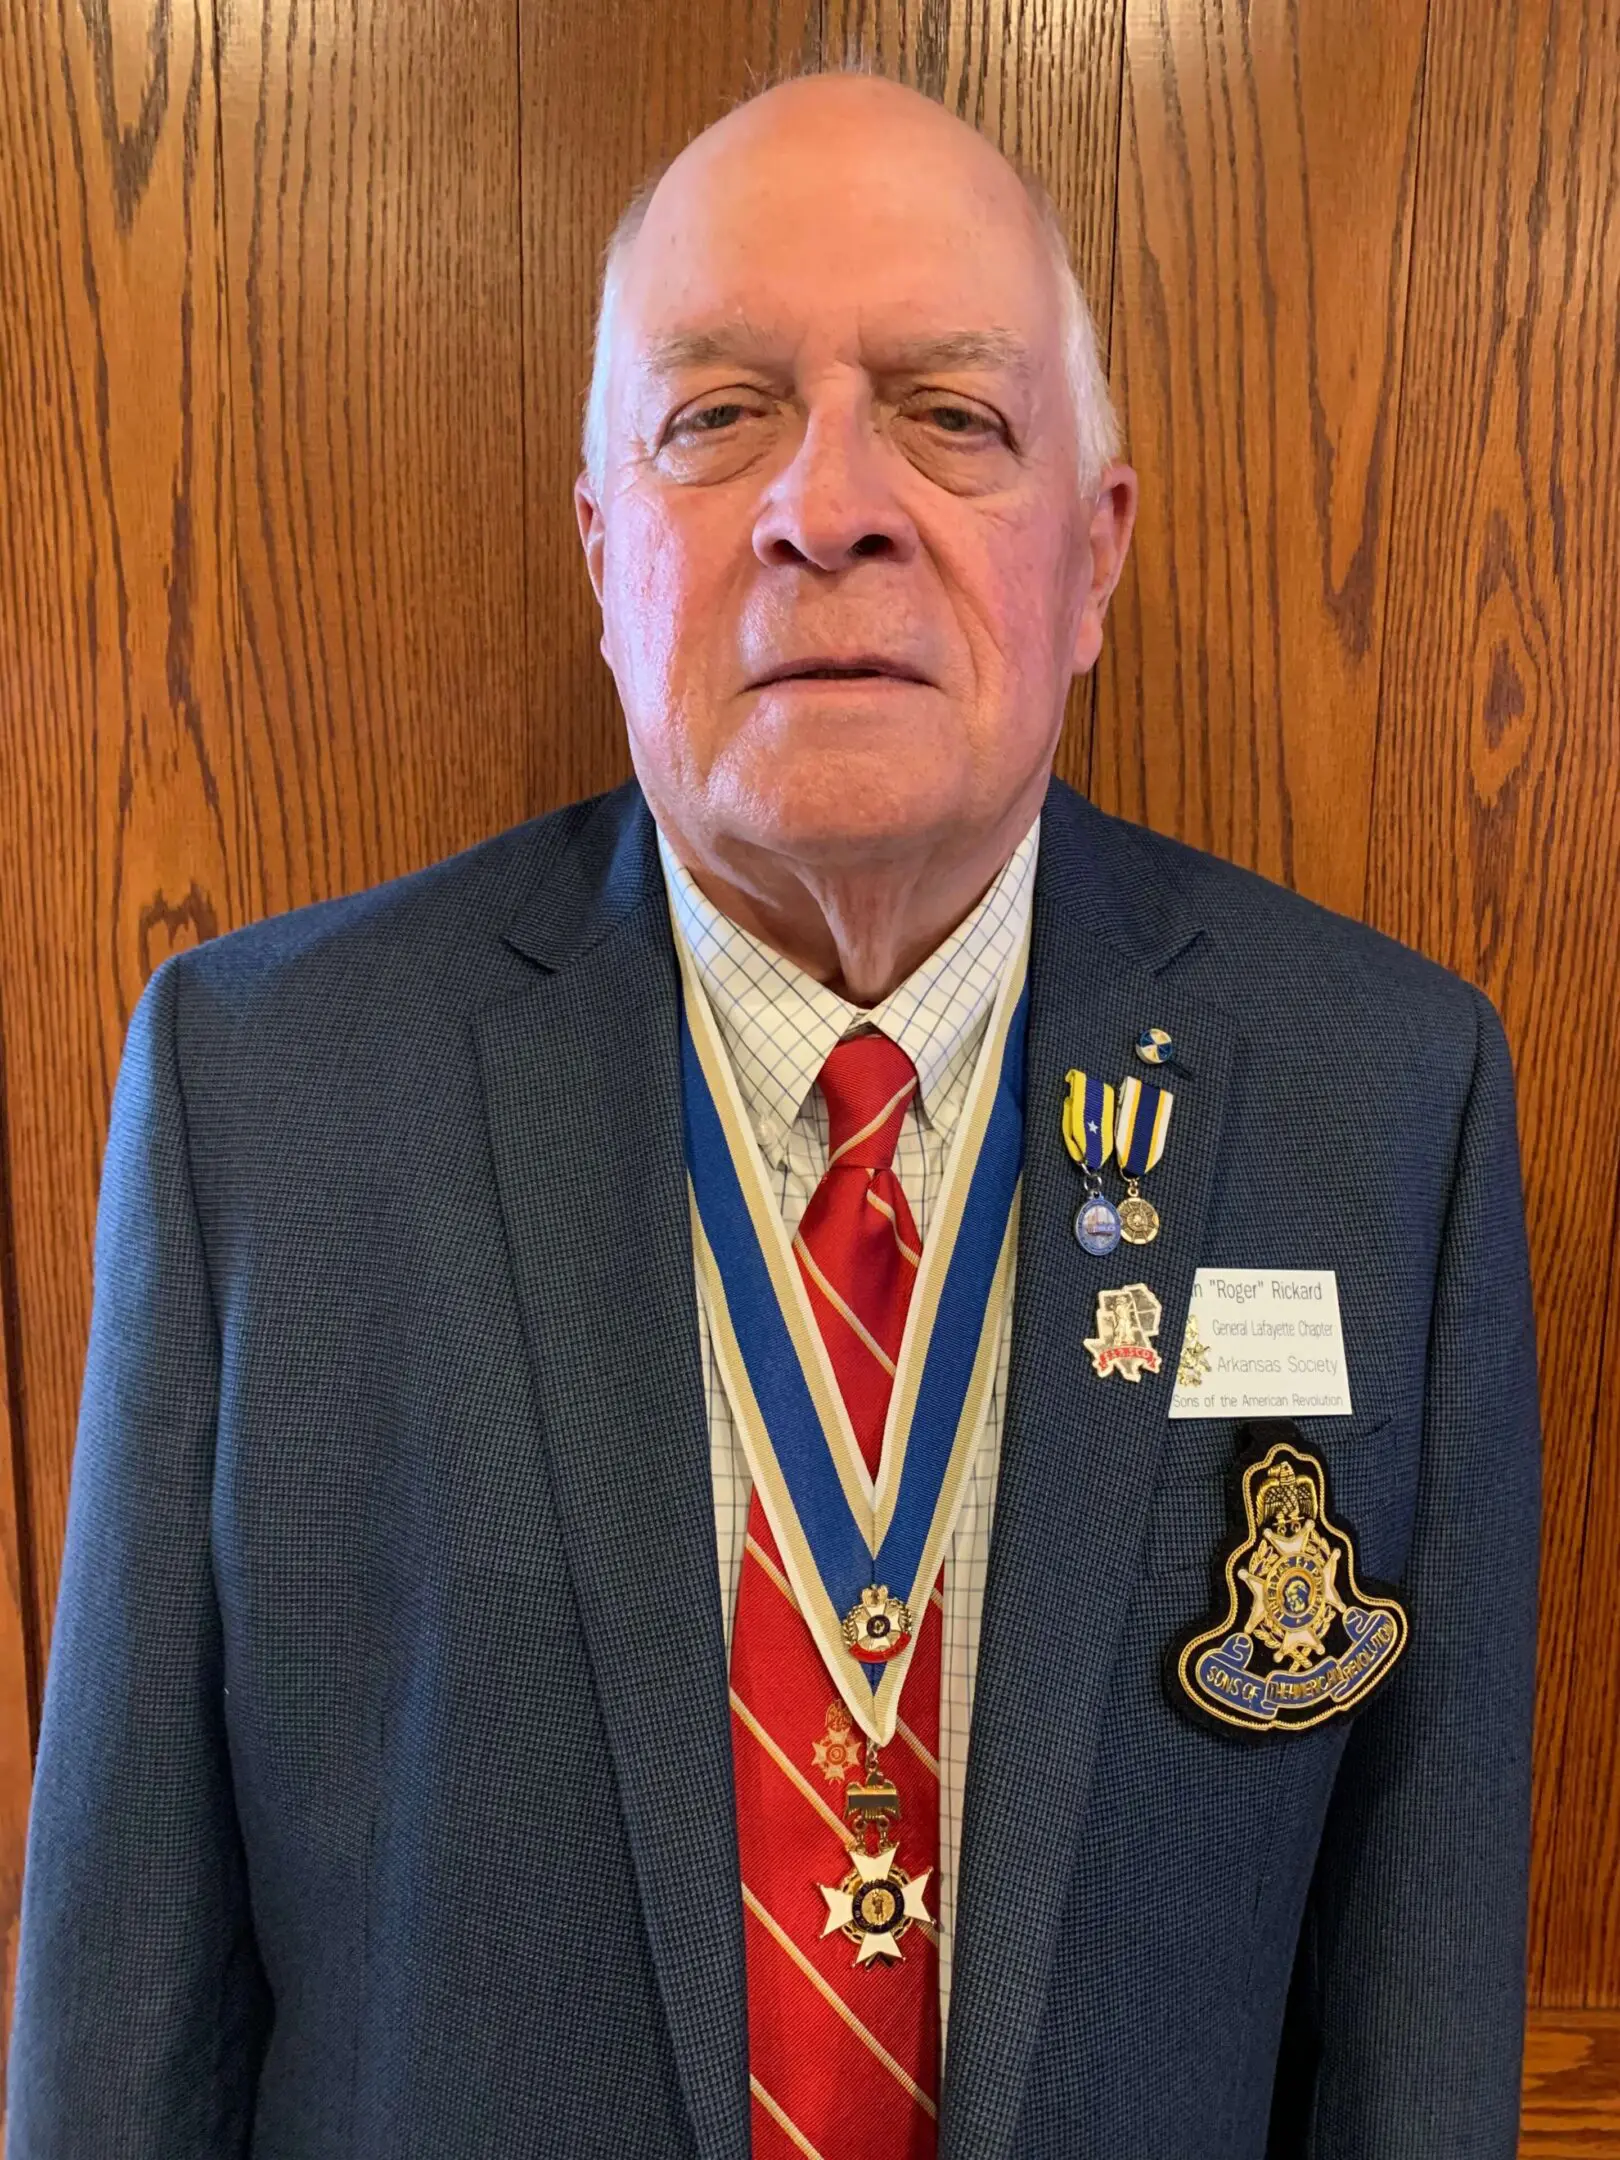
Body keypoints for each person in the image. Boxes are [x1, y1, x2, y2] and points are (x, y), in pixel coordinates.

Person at [7, 64, 1539, 2160]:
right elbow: (126, 2022)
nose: (832, 504)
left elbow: (1414, 2006)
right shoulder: (264, 1096)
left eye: (952, 412)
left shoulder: (1384, 1104)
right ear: (603, 545)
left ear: (1094, 557)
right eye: (721, 415)